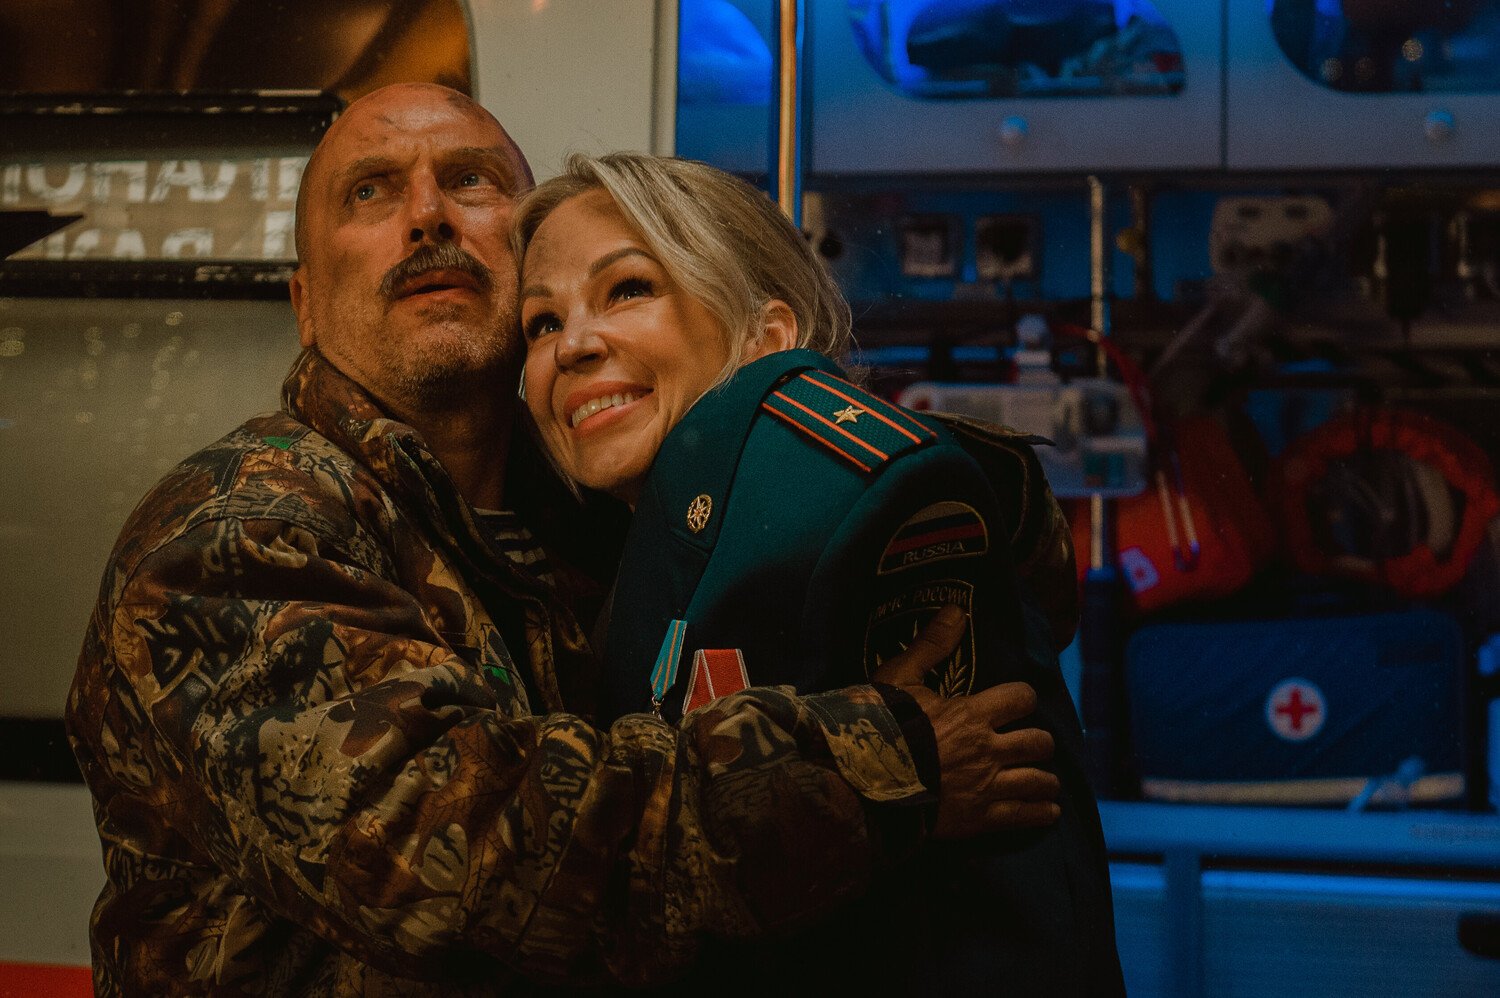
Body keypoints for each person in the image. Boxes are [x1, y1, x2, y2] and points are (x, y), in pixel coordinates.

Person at [65, 82, 1064, 996]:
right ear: (305, 303)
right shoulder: (238, 530)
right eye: (370, 192)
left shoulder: (597, 515)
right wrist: (877, 768)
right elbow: (455, 856)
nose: (428, 214)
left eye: (470, 180)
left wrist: (949, 484)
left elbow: (1012, 587)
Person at [514, 151, 1123, 995]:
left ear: (767, 339)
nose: (573, 345)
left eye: (628, 290)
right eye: (541, 323)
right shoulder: (598, 557)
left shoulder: (851, 506)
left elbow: (989, 911)